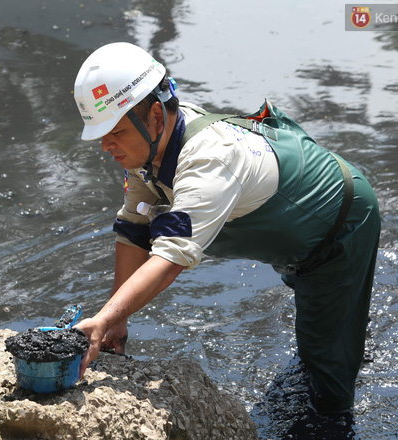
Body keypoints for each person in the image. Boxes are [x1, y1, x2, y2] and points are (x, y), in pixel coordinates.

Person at [72, 42, 380, 415]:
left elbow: (171, 257)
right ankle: (343, 326)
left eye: (115, 132)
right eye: (101, 135)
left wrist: (103, 321)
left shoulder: (208, 159)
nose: (106, 145)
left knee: (326, 379)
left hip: (338, 225)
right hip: (289, 228)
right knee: (319, 325)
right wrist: (116, 320)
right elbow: (135, 226)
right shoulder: (147, 149)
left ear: (155, 115)